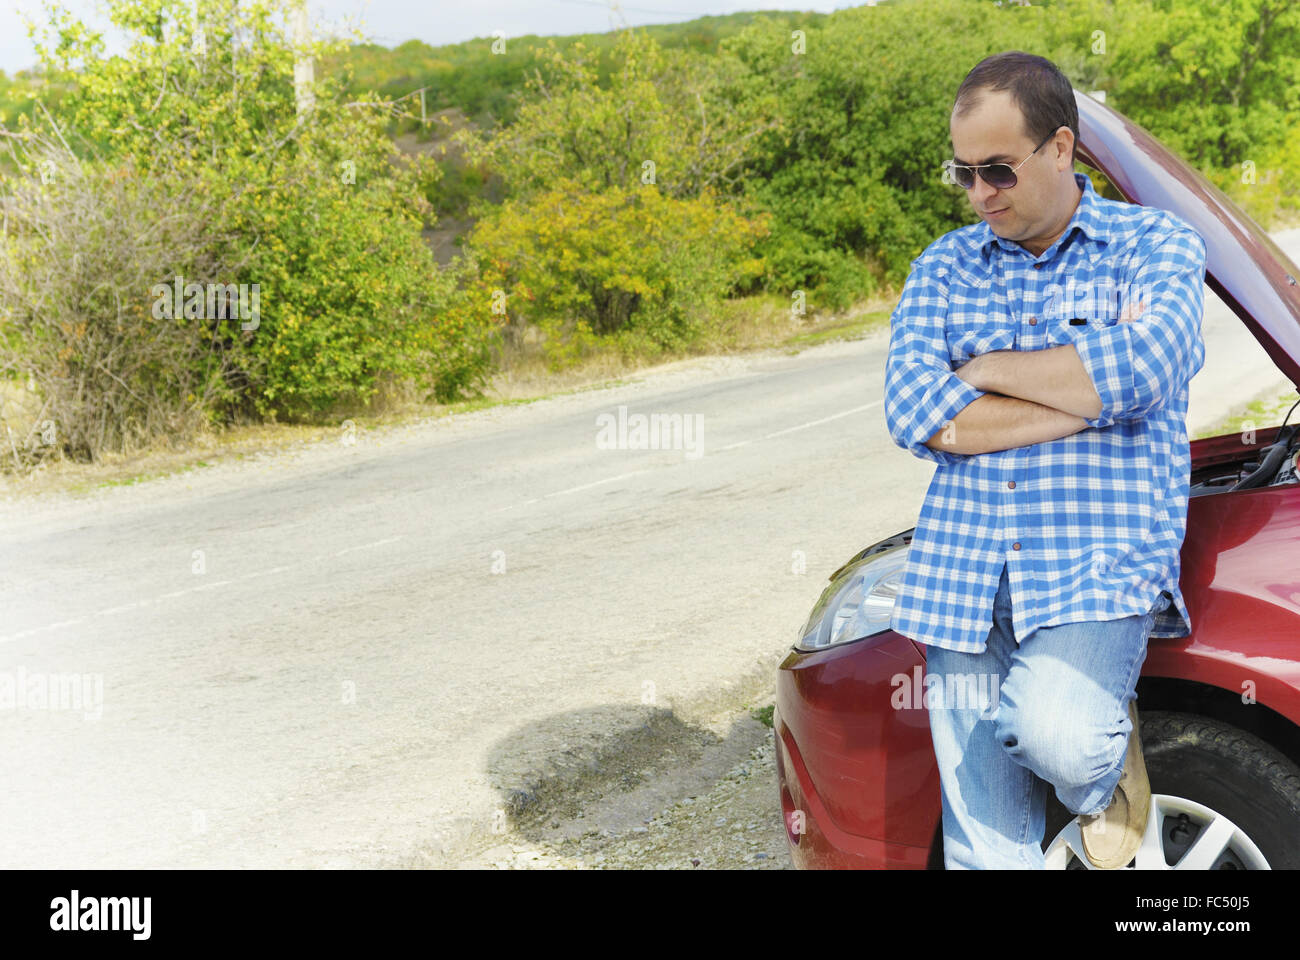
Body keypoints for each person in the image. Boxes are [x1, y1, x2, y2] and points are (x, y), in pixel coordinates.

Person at [881, 51, 1207, 869]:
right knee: (986, 850)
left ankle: (1103, 775)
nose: (979, 194)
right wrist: (1079, 394)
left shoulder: (1151, 243)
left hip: (1097, 560)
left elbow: (1149, 368)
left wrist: (984, 370)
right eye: (963, 173)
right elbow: (915, 412)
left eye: (998, 170)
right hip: (962, 573)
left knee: (1058, 735)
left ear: (1061, 148)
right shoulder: (943, 267)